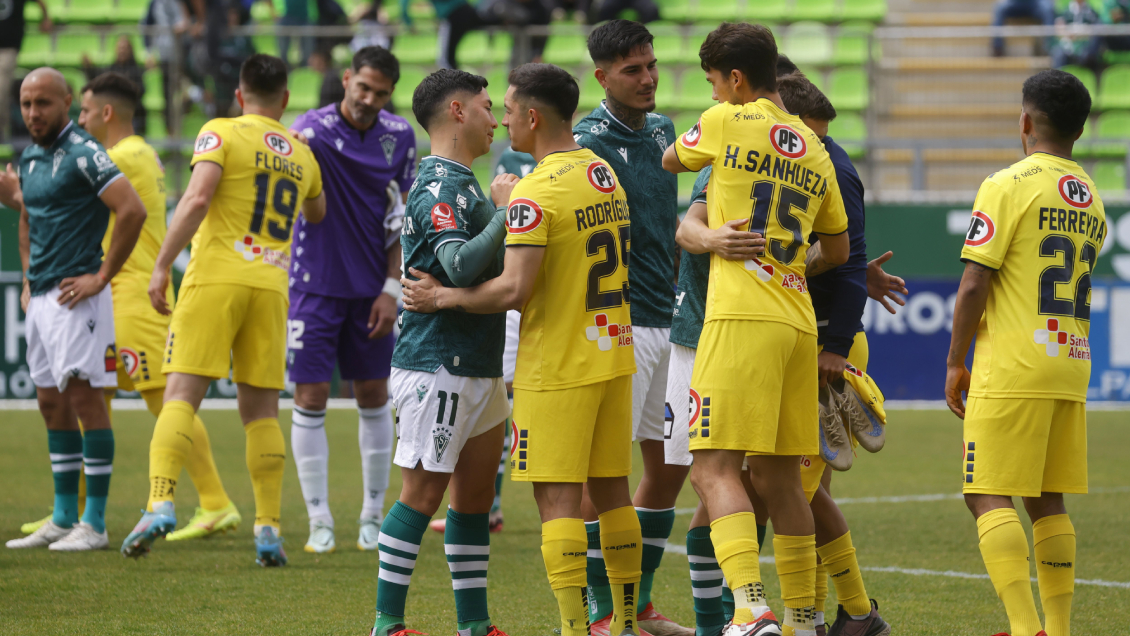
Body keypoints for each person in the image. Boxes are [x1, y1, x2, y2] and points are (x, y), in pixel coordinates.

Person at [402, 63, 644, 636]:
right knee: (612, 494)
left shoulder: (535, 190)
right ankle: (626, 623)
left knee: (558, 502)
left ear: (532, 117)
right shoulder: (603, 172)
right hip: (615, 353)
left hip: (559, 362)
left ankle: (572, 627)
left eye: (508, 111)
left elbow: (513, 290)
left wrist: (444, 298)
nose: (503, 120)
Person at [662, 22, 850, 636]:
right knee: (778, 477)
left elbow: (670, 158)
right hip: (797, 322)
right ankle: (802, 618)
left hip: (739, 317)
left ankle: (750, 609)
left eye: (716, 82)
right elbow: (839, 248)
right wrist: (789, 260)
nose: (715, 93)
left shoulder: (725, 120)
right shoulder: (814, 146)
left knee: (712, 468)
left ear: (735, 79)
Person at [120, 54, 326, 567]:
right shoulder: (302, 156)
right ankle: (268, 528)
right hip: (272, 286)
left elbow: (196, 199)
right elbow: (318, 212)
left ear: (240, 95)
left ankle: (161, 500)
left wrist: (161, 265)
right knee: (261, 412)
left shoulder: (221, 132)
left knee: (181, 395)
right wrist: (297, 151)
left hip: (215, 278)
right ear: (284, 99)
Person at [946, 69, 1105, 636]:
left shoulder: (1007, 184)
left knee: (985, 492)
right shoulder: (1091, 199)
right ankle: (1057, 630)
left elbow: (973, 283)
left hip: (1013, 363)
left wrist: (954, 361)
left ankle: (1022, 626)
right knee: (1046, 498)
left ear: (1026, 122)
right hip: (1071, 361)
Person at [367, 67, 514, 636]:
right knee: (422, 492)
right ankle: (388, 623)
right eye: (484, 105)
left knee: (474, 499)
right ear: (456, 112)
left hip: (478, 362)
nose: (495, 117)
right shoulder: (437, 186)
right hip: (438, 364)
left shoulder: (466, 182)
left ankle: (474, 625)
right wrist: (504, 214)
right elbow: (456, 266)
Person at [76, 71, 243, 542]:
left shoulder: (119, 157)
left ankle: (214, 501)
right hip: (114, 296)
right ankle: (81, 515)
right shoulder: (138, 152)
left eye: (84, 111)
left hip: (133, 297)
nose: (80, 119)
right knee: (92, 401)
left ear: (106, 113)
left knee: (168, 401)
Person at [570, 20, 687, 636]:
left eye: (650, 65)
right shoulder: (587, 143)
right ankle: (600, 606)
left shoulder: (666, 130)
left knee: (670, 468)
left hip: (671, 317)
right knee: (607, 473)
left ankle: (636, 601)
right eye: (632, 70)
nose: (647, 78)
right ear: (601, 76)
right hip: (619, 326)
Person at [1, 67, 147, 551]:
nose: (32, 113)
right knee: (49, 402)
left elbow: (132, 210)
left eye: (42, 103)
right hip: (42, 296)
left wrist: (101, 276)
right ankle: (63, 516)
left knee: (85, 400)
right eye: (26, 103)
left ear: (66, 101)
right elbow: (29, 218)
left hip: (77, 294)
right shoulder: (31, 156)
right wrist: (26, 277)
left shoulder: (86, 153)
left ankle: (96, 523)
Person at [773, 68, 892, 636]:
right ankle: (825, 617)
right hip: (803, 338)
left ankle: (848, 614)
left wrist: (836, 348)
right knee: (805, 489)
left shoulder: (829, 166)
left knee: (792, 489)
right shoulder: (808, 156)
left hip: (821, 344)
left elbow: (845, 264)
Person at [286, 45, 415, 555]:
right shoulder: (309, 131)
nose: (370, 100)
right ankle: (319, 520)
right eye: (363, 87)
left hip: (370, 293)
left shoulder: (399, 136)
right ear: (345, 79)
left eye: (381, 93)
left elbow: (399, 218)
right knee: (311, 399)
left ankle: (370, 516)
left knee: (373, 397)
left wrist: (391, 289)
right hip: (313, 287)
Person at [428, 144, 535, 537]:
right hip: (512, 288)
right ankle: (488, 505)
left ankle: (491, 505)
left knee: (508, 397)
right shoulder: (511, 158)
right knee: (502, 396)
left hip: (529, 291)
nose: (502, 121)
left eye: (506, 111)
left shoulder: (560, 156)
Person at [0, 0, 52, 141]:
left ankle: (2, 132)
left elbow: (40, 2)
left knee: (1, 88)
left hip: (8, 46)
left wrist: (45, 18)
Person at [82, 36, 147, 134]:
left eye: (125, 48)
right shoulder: (111, 69)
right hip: (113, 114)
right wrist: (89, 68)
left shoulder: (137, 70)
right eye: (120, 48)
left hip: (133, 114)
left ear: (131, 50)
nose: (122, 51)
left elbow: (141, 90)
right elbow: (99, 81)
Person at [991, 0, 1056, 56]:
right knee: (1000, 8)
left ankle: (1048, 47)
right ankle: (997, 47)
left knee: (1048, 8)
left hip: (1035, 3)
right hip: (1015, 3)